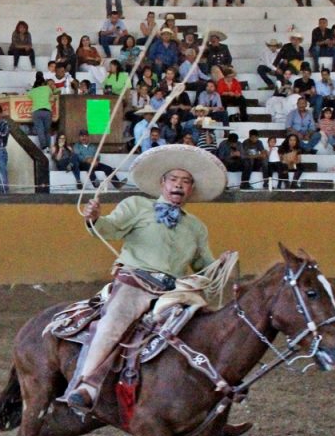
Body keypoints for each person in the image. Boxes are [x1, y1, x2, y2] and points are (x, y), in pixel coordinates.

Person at [63, 145, 224, 411]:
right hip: (135, 281)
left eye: (185, 182)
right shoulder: (136, 205)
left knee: (207, 328)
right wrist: (94, 218)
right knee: (114, 322)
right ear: (162, 183)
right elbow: (109, 227)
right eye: (173, 179)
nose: (179, 185)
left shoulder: (196, 227)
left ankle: (212, 395)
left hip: (175, 290)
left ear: (191, 189)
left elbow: (203, 266)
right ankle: (87, 386)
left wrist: (222, 265)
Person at [28, 73, 54, 151]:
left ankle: (44, 147)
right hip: (47, 111)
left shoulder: (32, 91)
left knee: (40, 130)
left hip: (36, 112)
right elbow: (52, 94)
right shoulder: (47, 88)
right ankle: (48, 147)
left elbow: (27, 95)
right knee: (47, 130)